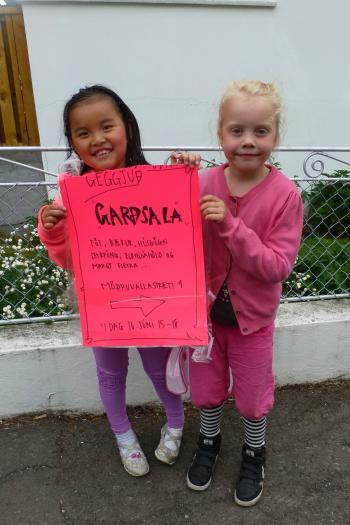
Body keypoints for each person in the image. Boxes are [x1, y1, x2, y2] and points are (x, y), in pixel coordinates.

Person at [37, 84, 199, 477]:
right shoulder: (71, 193)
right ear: (73, 143)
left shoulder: (157, 180)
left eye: (106, 126)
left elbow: (182, 233)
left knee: (160, 369)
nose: (97, 139)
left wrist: (188, 171)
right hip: (102, 303)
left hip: (154, 300)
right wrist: (54, 229)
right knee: (110, 372)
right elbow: (68, 259)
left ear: (127, 126)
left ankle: (175, 425)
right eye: (83, 133)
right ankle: (123, 436)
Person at [183, 80, 303, 506]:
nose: (248, 141)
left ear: (275, 135)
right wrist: (178, 174)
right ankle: (209, 441)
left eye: (260, 131)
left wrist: (231, 227)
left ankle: (254, 452)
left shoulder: (285, 195)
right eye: (237, 131)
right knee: (207, 389)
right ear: (220, 135)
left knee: (252, 396)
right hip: (206, 317)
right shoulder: (203, 181)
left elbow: (277, 266)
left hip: (253, 322)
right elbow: (172, 234)